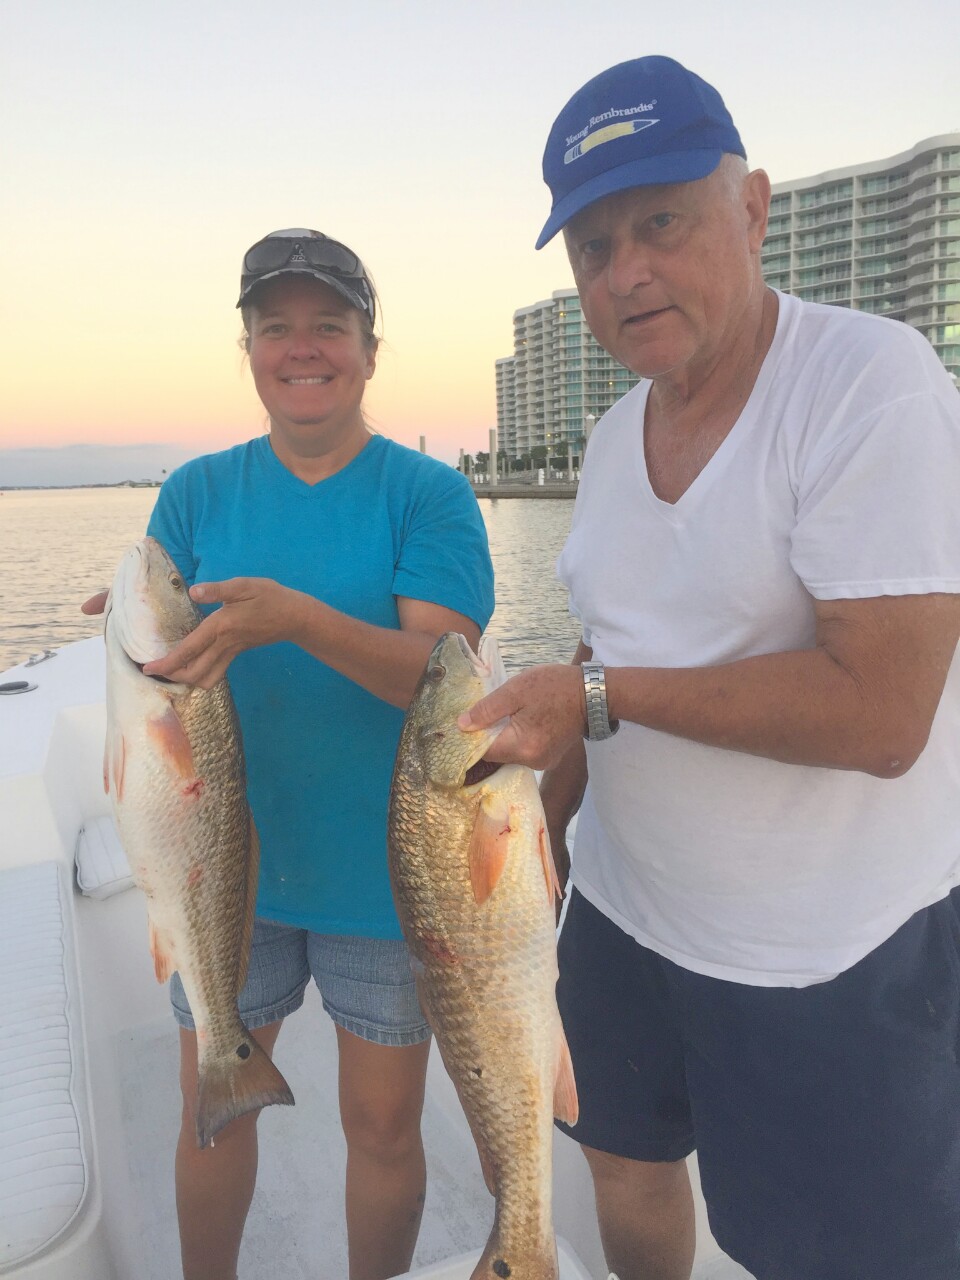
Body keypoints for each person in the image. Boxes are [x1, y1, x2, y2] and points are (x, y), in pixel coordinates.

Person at [458, 56, 960, 1280]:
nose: (625, 270)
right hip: (628, 912)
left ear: (752, 208)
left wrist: (594, 697)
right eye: (591, 246)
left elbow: (885, 711)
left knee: (827, 1247)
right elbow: (609, 650)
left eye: (661, 221)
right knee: (622, 1161)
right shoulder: (615, 432)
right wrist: (546, 803)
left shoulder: (869, 383)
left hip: (820, 949)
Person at [85, 228, 494, 1280]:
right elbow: (161, 656)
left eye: (329, 326)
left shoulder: (427, 494)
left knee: (385, 1129)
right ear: (249, 346)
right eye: (277, 328)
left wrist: (297, 617)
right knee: (213, 1106)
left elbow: (443, 683)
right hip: (222, 865)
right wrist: (125, 632)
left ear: (368, 345)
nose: (302, 348)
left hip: (385, 869)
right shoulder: (199, 493)